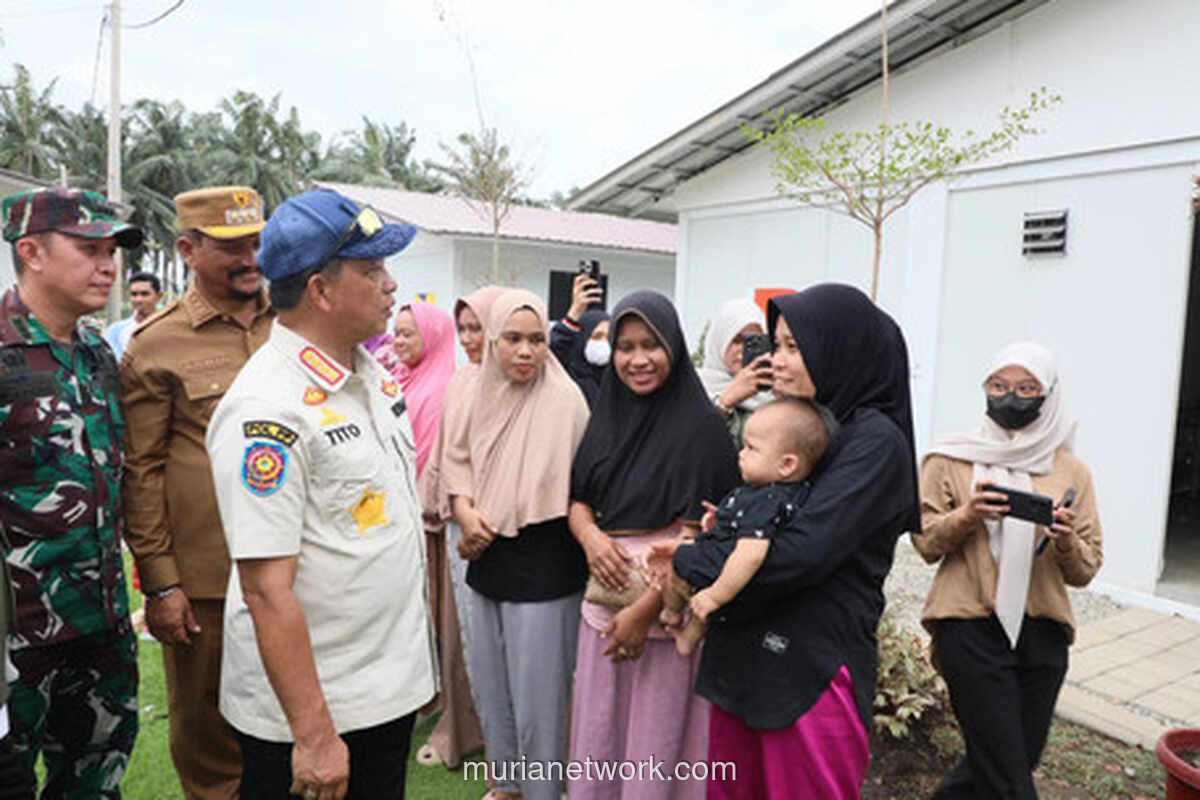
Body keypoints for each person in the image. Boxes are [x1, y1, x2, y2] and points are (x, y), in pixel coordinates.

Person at [206, 188, 434, 800]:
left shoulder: (371, 374)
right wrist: (312, 736)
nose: (391, 285)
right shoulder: (266, 410)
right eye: (372, 269)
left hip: (377, 692)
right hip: (316, 713)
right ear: (320, 291)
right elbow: (265, 587)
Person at [672, 283, 920, 800]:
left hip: (811, 671)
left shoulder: (873, 441)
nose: (777, 361)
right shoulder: (804, 428)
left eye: (793, 347)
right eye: (775, 344)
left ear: (839, 347)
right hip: (747, 658)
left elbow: (797, 555)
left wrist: (692, 559)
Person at [119, 185, 272, 799]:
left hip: (296, 569)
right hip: (208, 581)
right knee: (210, 744)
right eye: (232, 246)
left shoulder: (294, 320)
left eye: (257, 242)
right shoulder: (157, 344)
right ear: (187, 249)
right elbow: (143, 470)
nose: (250, 257)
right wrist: (162, 582)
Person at [568, 290, 740, 800]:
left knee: (657, 747)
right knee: (600, 738)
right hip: (603, 607)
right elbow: (578, 497)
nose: (638, 359)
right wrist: (591, 537)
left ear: (675, 348)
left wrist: (645, 610)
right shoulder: (606, 417)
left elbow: (708, 535)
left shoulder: (704, 428)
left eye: (652, 345)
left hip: (667, 613)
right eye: (625, 347)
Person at [0, 187, 143, 798]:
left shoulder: (96, 355)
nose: (108, 264)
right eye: (89, 248)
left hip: (100, 632)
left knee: (93, 788)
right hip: (15, 646)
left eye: (111, 250)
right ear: (30, 251)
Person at [913, 341, 1102, 799]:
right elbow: (924, 543)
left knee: (1006, 760)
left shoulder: (1071, 470)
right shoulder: (950, 458)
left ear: (1048, 396)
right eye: (998, 386)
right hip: (969, 625)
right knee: (1008, 777)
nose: (1009, 397)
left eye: (1025, 388)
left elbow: (1086, 569)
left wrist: (1064, 538)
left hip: (1043, 633)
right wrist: (969, 514)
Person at [443, 289, 590, 800]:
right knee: (492, 684)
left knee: (540, 696)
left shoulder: (565, 401)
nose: (525, 351)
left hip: (545, 564)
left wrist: (486, 520)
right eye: (512, 339)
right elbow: (455, 462)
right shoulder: (473, 392)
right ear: (494, 340)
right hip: (485, 558)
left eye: (536, 340)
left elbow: (571, 488)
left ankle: (546, 791)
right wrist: (464, 511)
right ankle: (507, 783)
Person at [383, 299, 483, 770]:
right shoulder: (404, 379)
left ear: (432, 337)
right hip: (406, 519)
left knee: (450, 623)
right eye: (396, 333)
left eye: (408, 334)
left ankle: (461, 722)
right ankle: (432, 700)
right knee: (422, 623)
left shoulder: (444, 386)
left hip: (438, 520)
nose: (398, 342)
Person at [655, 397, 831, 656]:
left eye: (752, 448)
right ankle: (688, 638)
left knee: (679, 560)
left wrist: (716, 595)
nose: (741, 454)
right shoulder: (786, 493)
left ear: (787, 465)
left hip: (726, 570)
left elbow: (750, 554)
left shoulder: (767, 499)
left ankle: (671, 613)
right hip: (732, 568)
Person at [697, 298, 774, 447]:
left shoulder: (776, 391)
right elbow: (690, 442)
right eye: (736, 340)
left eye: (754, 342)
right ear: (719, 341)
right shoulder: (697, 387)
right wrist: (726, 401)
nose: (743, 349)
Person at [550, 271, 610, 407]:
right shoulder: (568, 377)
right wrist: (575, 311)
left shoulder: (616, 381)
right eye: (597, 336)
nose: (604, 343)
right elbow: (554, 351)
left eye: (609, 338)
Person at [104, 271, 163, 359]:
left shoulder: (168, 328)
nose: (138, 299)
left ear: (159, 296)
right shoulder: (115, 331)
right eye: (134, 294)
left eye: (145, 294)